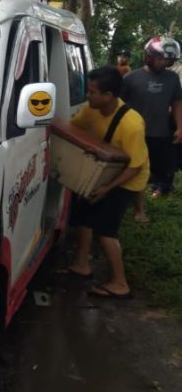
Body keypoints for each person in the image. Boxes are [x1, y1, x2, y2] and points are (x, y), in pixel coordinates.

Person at [66, 67, 149, 298]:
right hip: (104, 171)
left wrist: (106, 189)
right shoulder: (90, 110)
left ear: (109, 96)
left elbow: (135, 166)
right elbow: (73, 127)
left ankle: (120, 283)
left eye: (92, 93)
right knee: (83, 214)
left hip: (126, 178)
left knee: (105, 230)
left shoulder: (132, 124)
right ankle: (82, 264)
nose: (87, 96)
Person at [121, 37, 182, 222]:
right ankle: (128, 205)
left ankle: (156, 193)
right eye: (161, 58)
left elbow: (177, 103)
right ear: (149, 56)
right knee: (133, 169)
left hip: (160, 132)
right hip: (134, 135)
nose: (164, 63)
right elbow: (118, 106)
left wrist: (180, 127)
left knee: (156, 168)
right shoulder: (131, 78)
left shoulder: (172, 78)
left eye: (168, 60)